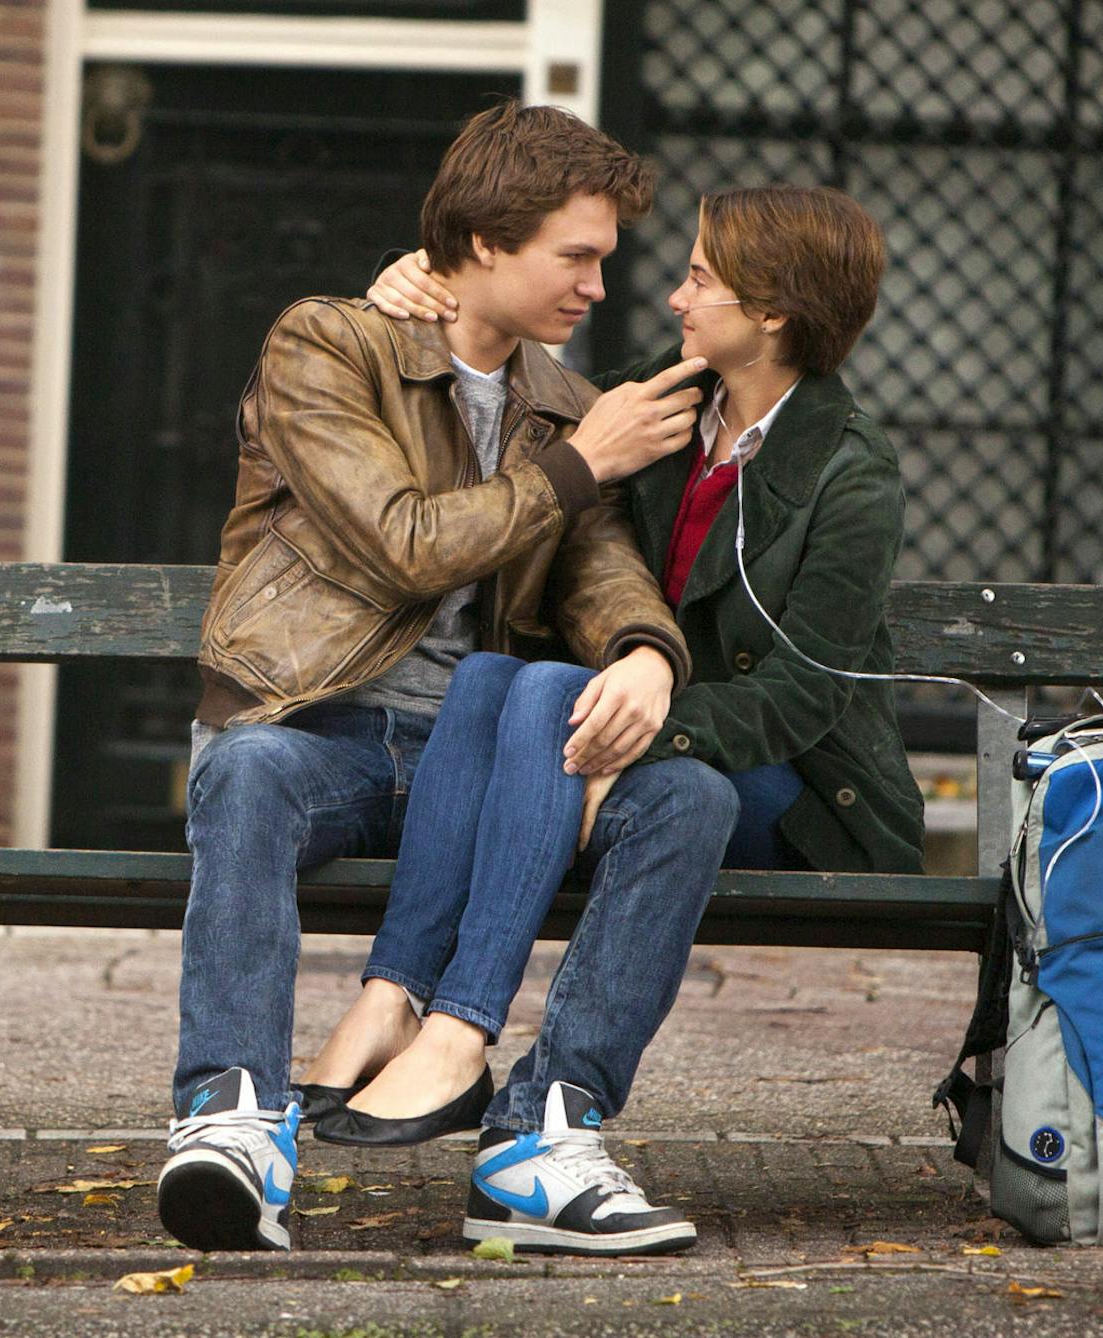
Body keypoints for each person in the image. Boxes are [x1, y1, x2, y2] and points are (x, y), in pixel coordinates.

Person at [297, 184, 924, 1255]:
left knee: (648, 764)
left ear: (771, 311)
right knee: (506, 677)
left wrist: (650, 727)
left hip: (800, 785)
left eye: (699, 278)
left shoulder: (848, 473)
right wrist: (416, 287)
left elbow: (804, 696)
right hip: (657, 750)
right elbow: (513, 394)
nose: (674, 297)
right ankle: (437, 1032)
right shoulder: (670, 408)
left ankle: (479, 1048)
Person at [156, 101, 708, 1254]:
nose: (598, 288)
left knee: (683, 804)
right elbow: (399, 540)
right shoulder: (329, 345)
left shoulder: (564, 406)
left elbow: (602, 572)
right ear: (487, 241)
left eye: (604, 260)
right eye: (577, 256)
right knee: (247, 772)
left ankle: (541, 1131)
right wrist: (577, 463)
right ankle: (234, 1119)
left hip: (487, 751)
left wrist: (648, 652)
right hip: (329, 735)